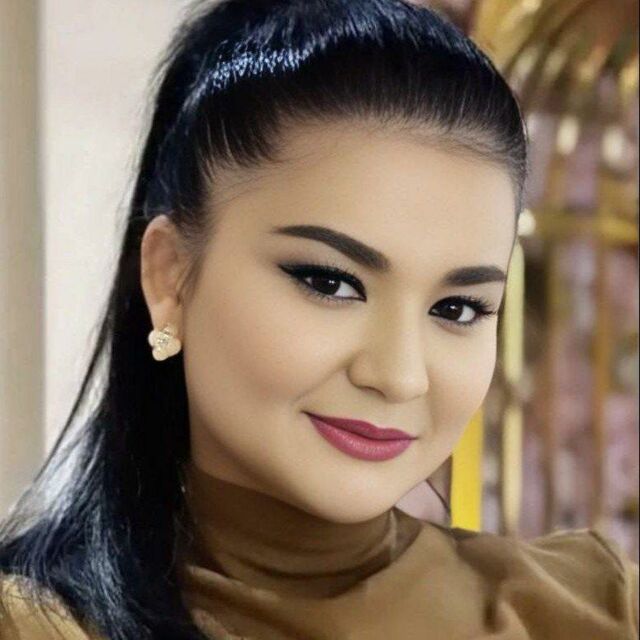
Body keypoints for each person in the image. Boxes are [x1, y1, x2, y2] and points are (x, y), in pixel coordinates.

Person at [0, 0, 637, 638]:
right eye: (330, 283)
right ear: (170, 277)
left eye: (456, 308)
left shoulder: (595, 609)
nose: (400, 376)